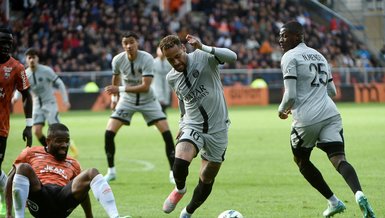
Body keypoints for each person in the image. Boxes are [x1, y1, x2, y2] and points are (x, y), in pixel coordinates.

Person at [277, 21, 376, 218]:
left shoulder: (290, 57)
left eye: (285, 35)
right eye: (280, 36)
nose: (281, 40)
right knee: (339, 159)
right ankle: (358, 194)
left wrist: (281, 110)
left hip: (307, 118)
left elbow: (290, 95)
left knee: (301, 160)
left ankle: (333, 201)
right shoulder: (319, 55)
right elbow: (332, 91)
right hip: (330, 113)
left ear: (298, 36)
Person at [159, 34, 237, 218]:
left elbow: (232, 56)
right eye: (170, 59)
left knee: (207, 177)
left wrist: (204, 47)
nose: (175, 62)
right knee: (179, 162)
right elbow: (182, 100)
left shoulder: (202, 56)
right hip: (192, 125)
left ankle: (188, 211)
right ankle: (180, 189)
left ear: (184, 48)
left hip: (218, 129)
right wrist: (182, 121)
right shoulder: (171, 78)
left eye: (177, 56)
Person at [5, 123, 130, 218]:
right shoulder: (31, 152)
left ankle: (115, 216)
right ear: (48, 141)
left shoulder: (73, 163)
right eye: (59, 141)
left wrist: (89, 216)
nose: (64, 145)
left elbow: (82, 191)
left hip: (62, 202)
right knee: (22, 168)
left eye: (67, 141)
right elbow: (11, 178)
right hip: (40, 198)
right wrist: (8, 213)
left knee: (92, 172)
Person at [103, 31, 175, 184]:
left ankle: (172, 172)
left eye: (132, 42)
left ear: (137, 43)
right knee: (109, 132)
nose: (129, 46)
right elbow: (115, 80)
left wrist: (120, 90)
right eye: (125, 43)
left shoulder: (147, 58)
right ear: (122, 45)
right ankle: (111, 171)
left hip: (148, 100)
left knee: (166, 133)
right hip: (127, 101)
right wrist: (114, 98)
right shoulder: (117, 60)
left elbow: (145, 86)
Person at [12, 48, 78, 158]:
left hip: (50, 103)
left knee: (56, 131)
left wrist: (65, 100)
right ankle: (50, 151)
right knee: (37, 131)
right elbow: (21, 88)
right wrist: (15, 97)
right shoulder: (25, 74)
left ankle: (69, 145)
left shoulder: (46, 71)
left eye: (34, 57)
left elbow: (60, 84)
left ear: (38, 58)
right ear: (26, 60)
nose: (32, 60)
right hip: (37, 105)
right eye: (29, 57)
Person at [0, 27, 33, 215]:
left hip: (1, 126)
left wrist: (28, 126)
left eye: (9, 43)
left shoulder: (17, 68)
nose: (5, 46)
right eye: (2, 43)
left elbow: (27, 95)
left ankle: (7, 203)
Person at [152, 46, 173, 113]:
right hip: (156, 87)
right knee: (158, 107)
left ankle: (162, 119)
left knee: (164, 107)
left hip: (166, 88)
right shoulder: (153, 63)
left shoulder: (169, 63)